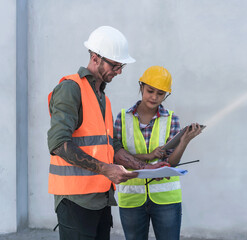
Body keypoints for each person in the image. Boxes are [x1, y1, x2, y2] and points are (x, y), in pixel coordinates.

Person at [47, 26, 167, 240]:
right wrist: (105, 169)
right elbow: (58, 143)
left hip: (100, 199)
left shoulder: (103, 98)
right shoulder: (70, 89)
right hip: (75, 201)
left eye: (121, 66)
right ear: (95, 58)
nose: (119, 71)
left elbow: (111, 147)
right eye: (115, 65)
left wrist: (148, 168)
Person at [114, 66, 203, 240]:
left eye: (160, 93)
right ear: (141, 87)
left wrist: (184, 141)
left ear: (166, 95)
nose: (154, 97)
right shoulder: (122, 118)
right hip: (131, 197)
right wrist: (148, 157)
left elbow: (172, 162)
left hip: (166, 199)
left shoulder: (171, 119)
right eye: (150, 90)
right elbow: (117, 156)